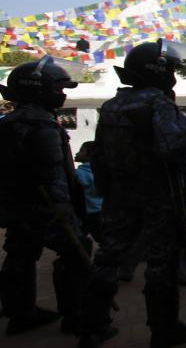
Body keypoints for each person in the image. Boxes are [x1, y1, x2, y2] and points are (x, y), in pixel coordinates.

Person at [79, 38, 186, 348]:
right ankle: (164, 329)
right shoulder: (157, 104)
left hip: (119, 194)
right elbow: (172, 148)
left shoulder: (111, 106)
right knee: (161, 263)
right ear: (160, 72)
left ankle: (92, 327)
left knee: (107, 260)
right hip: (156, 195)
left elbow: (99, 155)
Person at [0, 57, 89, 336]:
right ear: (41, 90)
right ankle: (75, 315)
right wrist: (64, 207)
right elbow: (53, 171)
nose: (62, 94)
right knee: (76, 252)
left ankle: (19, 312)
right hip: (46, 206)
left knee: (19, 255)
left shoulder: (7, 123)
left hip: (15, 204)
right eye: (58, 88)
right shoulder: (43, 127)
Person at [74, 141, 104, 241]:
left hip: (90, 213)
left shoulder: (80, 172)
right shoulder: (100, 171)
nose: (77, 153)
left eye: (81, 151)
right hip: (103, 210)